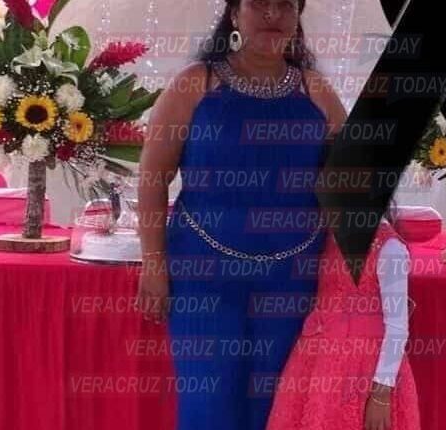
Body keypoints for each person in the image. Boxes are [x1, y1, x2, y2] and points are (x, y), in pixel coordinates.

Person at [136, 0, 347, 428]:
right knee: (208, 405)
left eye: (285, 5)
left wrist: (375, 271)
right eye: (259, 4)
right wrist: (153, 264)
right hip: (201, 275)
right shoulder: (195, 84)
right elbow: (153, 178)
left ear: (297, 17)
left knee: (277, 406)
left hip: (293, 279)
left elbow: (350, 188)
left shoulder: (317, 92)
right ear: (234, 14)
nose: (272, 15)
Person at [266, 218, 421, 430]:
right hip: (316, 360)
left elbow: (397, 327)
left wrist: (381, 395)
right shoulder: (330, 236)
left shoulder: (389, 247)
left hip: (363, 370)